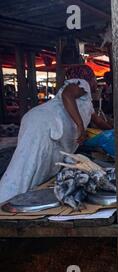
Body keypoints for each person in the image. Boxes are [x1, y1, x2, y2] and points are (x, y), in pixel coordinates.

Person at [0, 65, 112, 202]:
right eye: (95, 79)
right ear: (89, 78)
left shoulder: (86, 100)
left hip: (45, 126)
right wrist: (81, 126)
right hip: (44, 125)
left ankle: (18, 203)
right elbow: (67, 95)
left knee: (35, 173)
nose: (97, 83)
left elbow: (98, 122)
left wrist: (116, 129)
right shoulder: (81, 83)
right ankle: (4, 203)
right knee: (22, 171)